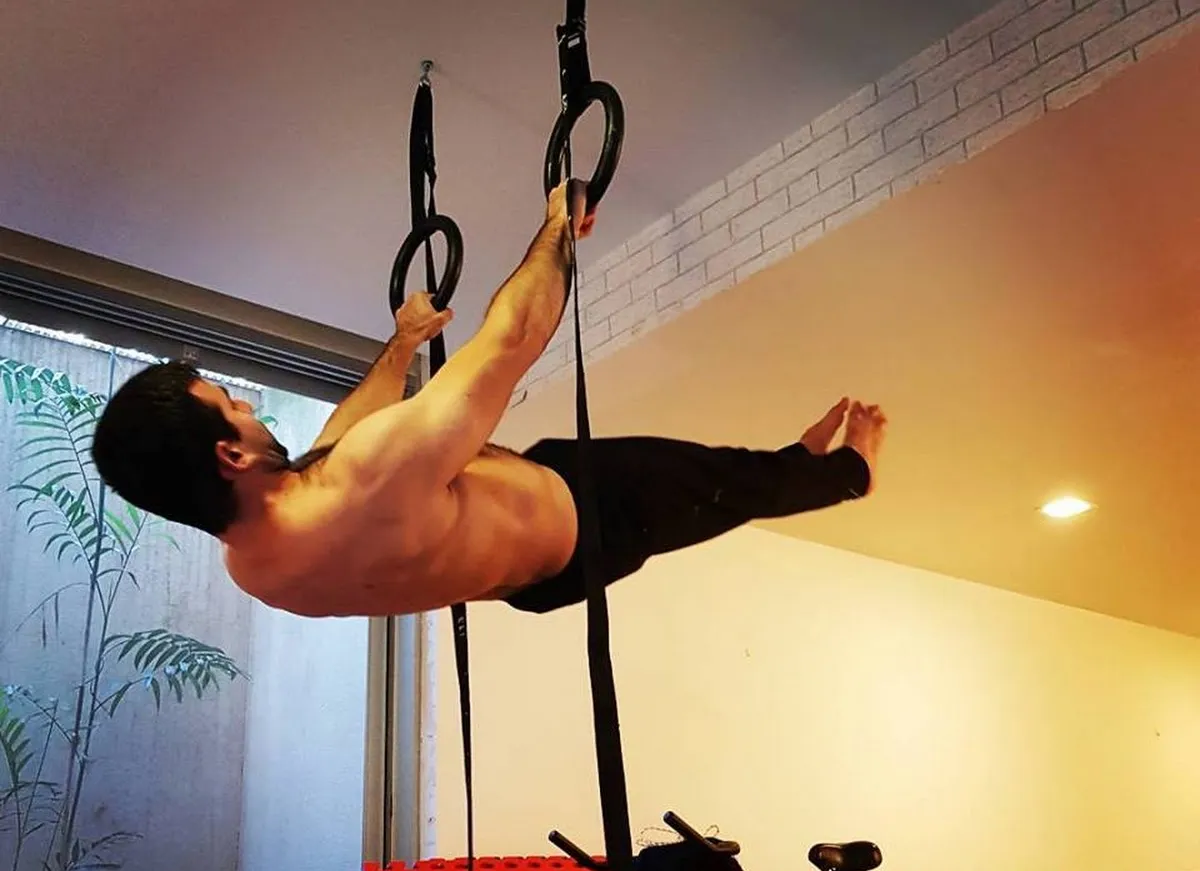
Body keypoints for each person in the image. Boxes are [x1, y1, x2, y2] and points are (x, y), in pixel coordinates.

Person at [90, 180, 887, 618]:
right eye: (233, 406)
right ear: (230, 455)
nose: (250, 406)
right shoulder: (369, 478)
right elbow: (514, 339)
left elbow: (332, 451)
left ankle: (797, 463)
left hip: (534, 574)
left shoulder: (256, 568)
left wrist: (403, 344)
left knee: (729, 479)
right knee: (720, 483)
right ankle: (847, 474)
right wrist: (556, 230)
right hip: (595, 513)